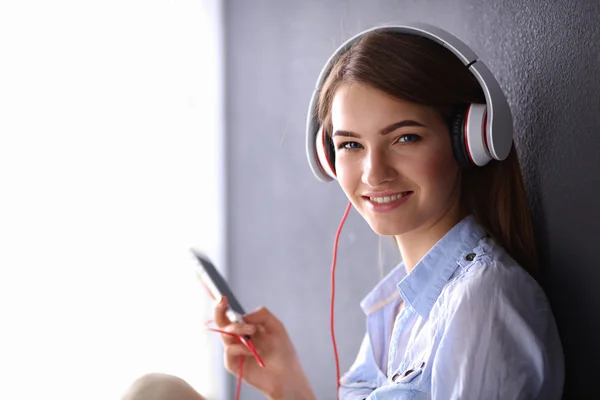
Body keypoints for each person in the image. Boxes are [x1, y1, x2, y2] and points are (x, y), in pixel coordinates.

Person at [121, 24, 565, 400]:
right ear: (328, 157)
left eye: (405, 137)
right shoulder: (399, 308)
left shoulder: (481, 302)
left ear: (469, 140)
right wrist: (288, 382)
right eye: (350, 144)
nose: (374, 172)